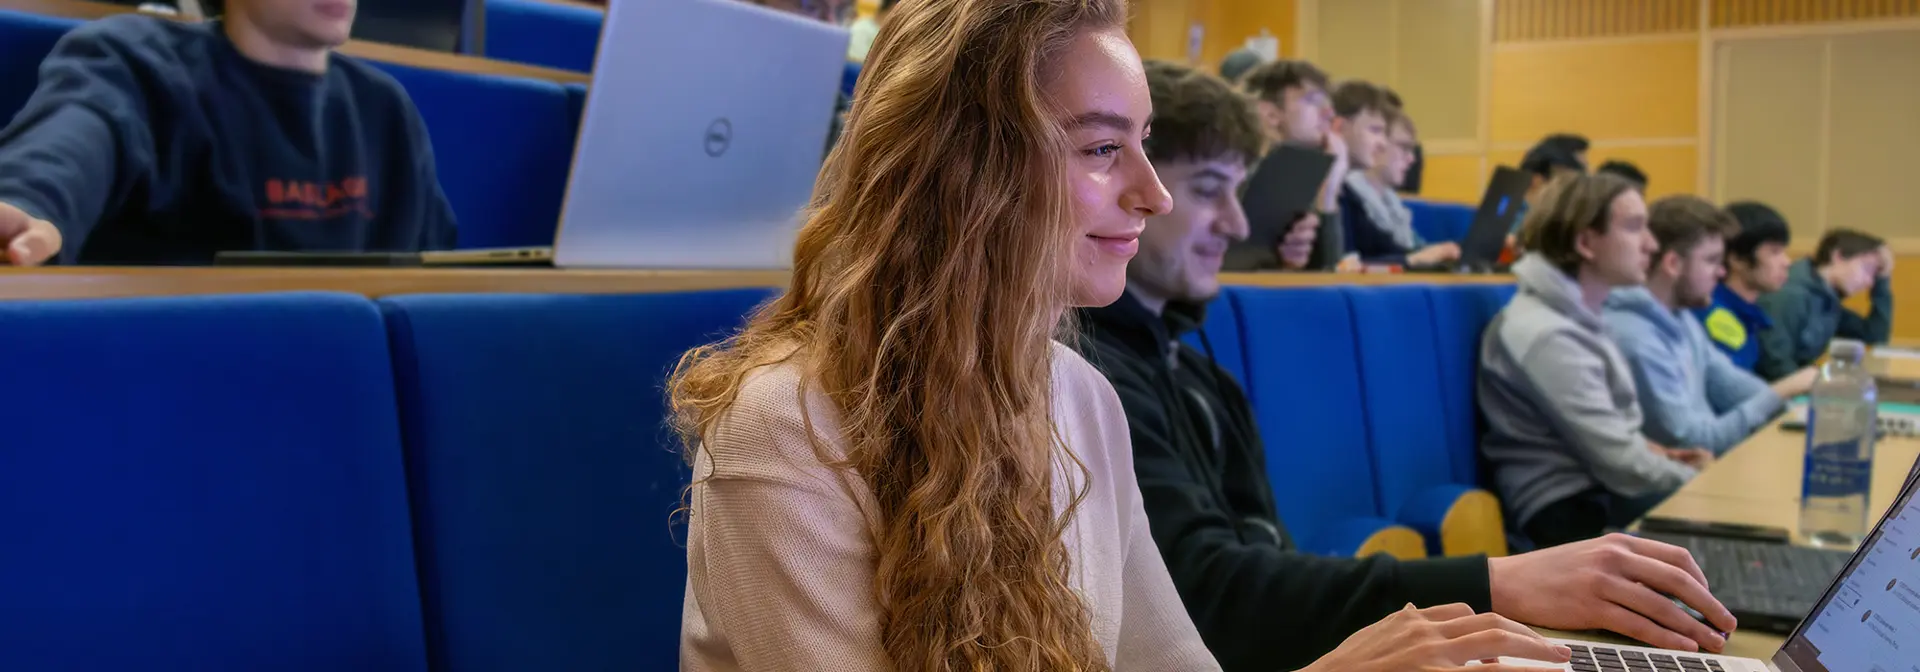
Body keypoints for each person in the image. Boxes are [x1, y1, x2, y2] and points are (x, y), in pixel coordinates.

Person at [1080, 61, 1733, 671]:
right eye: (1208, 190)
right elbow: (1208, 597)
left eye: (1235, 190)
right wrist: (1496, 582)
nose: (1237, 221)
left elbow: (1254, 572)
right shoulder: (1090, 376)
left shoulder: (1197, 374)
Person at [669, 0, 1224, 667]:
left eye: (1144, 142)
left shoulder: (1086, 398)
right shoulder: (785, 426)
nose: (1154, 194)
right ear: (963, 171)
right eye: (1103, 148)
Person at [0, 0, 457, 266]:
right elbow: (65, 149)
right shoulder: (135, 63)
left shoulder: (386, 109)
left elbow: (441, 284)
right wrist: (27, 208)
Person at [1480, 174, 1708, 548]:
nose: (1651, 244)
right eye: (1635, 227)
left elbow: (1612, 436)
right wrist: (1708, 484)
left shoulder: (1578, 313)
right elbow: (1619, 464)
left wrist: (1665, 456)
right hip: (1565, 517)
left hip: (1598, 495)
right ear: (1586, 242)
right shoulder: (1545, 333)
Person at [1604, 196, 1816, 457]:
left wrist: (1796, 408)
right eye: (1711, 260)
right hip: (1667, 489)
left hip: (1703, 471)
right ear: (1673, 264)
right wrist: (1784, 391)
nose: (1722, 272)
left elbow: (1734, 387)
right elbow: (1695, 442)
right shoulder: (1635, 338)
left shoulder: (1683, 318)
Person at [1227, 59, 1346, 272]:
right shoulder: (1229, 171)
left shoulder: (1294, 172)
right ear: (1271, 114)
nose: (1329, 114)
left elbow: (1327, 272)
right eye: (1313, 101)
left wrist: (1289, 263)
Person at [1332, 82, 1459, 267]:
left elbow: (1391, 249)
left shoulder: (1348, 195)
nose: (1381, 143)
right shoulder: (1339, 191)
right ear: (1340, 128)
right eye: (1375, 131)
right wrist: (1412, 260)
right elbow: (1340, 267)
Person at [1756, 228, 1895, 381]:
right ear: (1838, 256)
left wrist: (1882, 280)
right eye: (1867, 269)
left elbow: (1874, 336)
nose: (1869, 281)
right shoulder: (1791, 293)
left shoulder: (1826, 298)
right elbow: (1776, 366)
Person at [1695, 202, 1794, 373]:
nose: (1787, 262)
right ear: (1737, 260)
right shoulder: (1716, 316)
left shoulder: (1748, 314)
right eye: (1774, 252)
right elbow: (1731, 395)